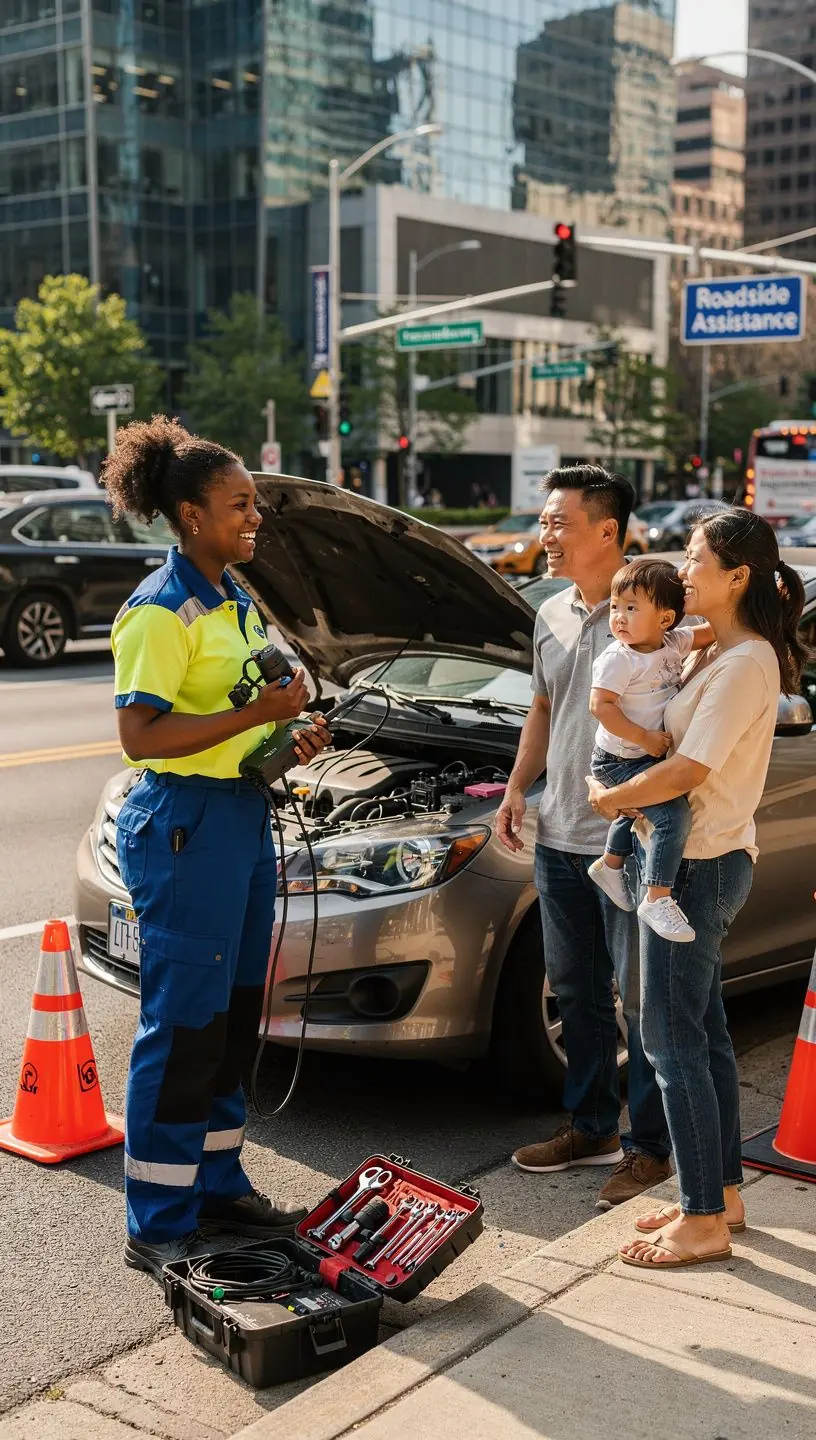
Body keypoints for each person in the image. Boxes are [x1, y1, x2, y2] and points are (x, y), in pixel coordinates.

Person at [103, 416, 331, 1280]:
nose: (255, 516)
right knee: (185, 1026)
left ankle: (219, 1182)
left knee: (234, 1020)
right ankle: (158, 1218)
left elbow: (253, 705)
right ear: (191, 514)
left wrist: (287, 734)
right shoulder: (159, 611)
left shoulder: (232, 597)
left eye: (254, 503)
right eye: (239, 505)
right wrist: (256, 718)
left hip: (238, 816)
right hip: (183, 827)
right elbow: (141, 735)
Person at [586, 509, 806, 1267]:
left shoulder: (747, 662)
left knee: (669, 1041)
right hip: (695, 861)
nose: (681, 568)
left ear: (738, 576)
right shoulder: (722, 652)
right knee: (704, 1035)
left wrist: (610, 799)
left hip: (697, 867)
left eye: (695, 557)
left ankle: (702, 1217)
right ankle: (724, 1196)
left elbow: (688, 770)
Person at [497, 464, 672, 1209]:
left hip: (631, 839)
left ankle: (649, 1149)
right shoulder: (552, 611)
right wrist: (514, 787)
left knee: (643, 998)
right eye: (543, 521)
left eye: (558, 522)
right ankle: (593, 1126)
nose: (545, 533)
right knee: (577, 991)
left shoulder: (658, 616)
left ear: (608, 530)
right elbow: (542, 708)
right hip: (559, 830)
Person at [587, 557, 714, 943]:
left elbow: (709, 633)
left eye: (631, 607)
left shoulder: (672, 642)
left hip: (642, 757)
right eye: (614, 606)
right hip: (617, 759)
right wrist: (643, 737)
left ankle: (610, 864)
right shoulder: (618, 658)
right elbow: (600, 706)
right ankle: (657, 896)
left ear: (665, 619)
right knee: (672, 817)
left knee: (639, 807)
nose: (619, 617)